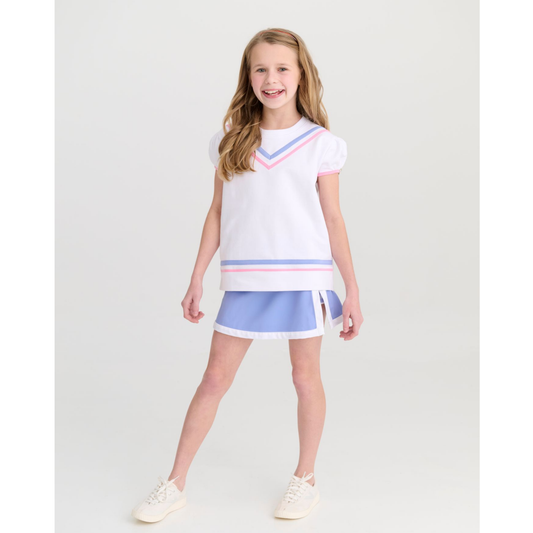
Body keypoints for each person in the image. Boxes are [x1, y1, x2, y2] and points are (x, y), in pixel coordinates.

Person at [131, 27, 363, 523]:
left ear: (301, 76)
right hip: (244, 280)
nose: (271, 78)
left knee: (304, 377)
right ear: (248, 76)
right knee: (214, 378)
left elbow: (333, 218)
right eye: (261, 69)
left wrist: (352, 290)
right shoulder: (230, 141)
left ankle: (305, 478)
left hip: (303, 279)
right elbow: (217, 212)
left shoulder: (321, 144)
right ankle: (174, 483)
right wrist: (197, 276)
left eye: (282, 68)